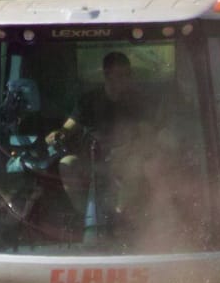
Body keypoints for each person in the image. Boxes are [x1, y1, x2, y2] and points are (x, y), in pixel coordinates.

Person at [52, 52, 154, 235]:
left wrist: (131, 149)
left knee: (137, 165)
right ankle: (86, 215)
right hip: (91, 159)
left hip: (124, 160)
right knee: (67, 164)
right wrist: (58, 134)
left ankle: (119, 215)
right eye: (120, 74)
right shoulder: (88, 101)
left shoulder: (137, 101)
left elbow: (147, 135)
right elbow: (68, 128)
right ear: (106, 75)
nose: (125, 79)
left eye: (128, 74)